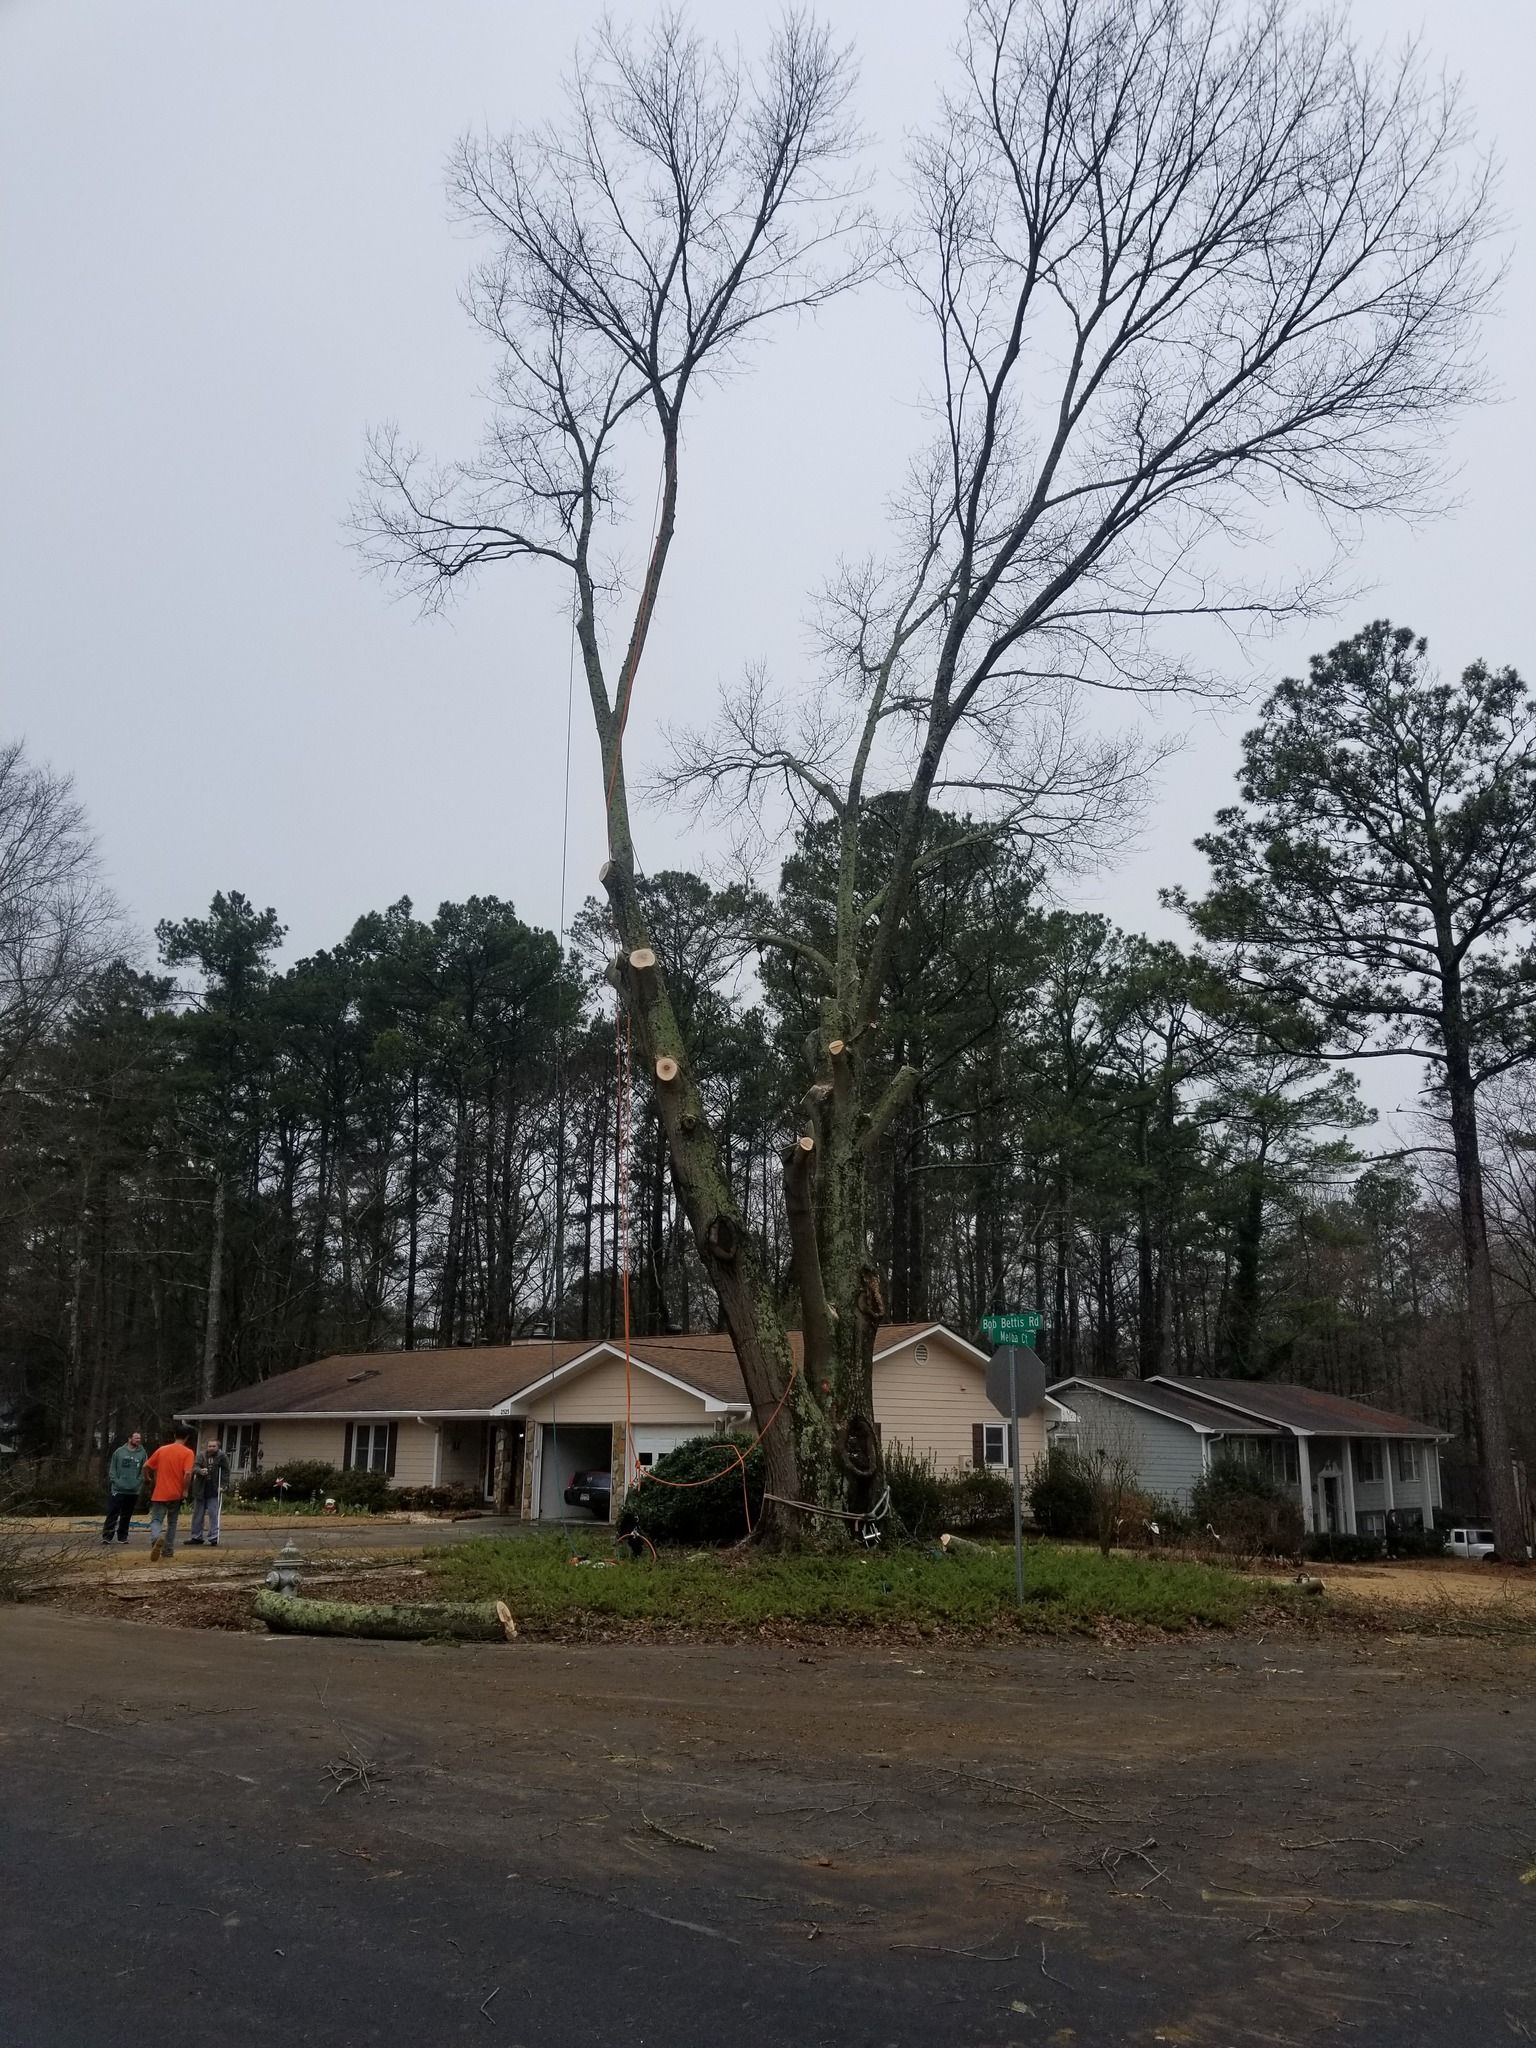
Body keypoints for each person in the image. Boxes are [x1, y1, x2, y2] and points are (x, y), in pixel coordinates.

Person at [143, 1428, 196, 1561]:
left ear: (174, 1435)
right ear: (187, 1437)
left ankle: (156, 1538)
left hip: (159, 1492)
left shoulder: (162, 1450)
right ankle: (168, 1550)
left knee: (156, 1520)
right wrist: (185, 1490)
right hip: (175, 1494)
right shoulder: (188, 1452)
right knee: (172, 1522)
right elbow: (188, 1473)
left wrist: (147, 1479)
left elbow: (145, 1466)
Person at [102, 1430, 146, 1545]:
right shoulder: (119, 1452)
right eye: (136, 1438)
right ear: (129, 1438)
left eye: (139, 1438)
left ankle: (122, 1536)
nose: (138, 1440)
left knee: (127, 1515)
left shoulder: (142, 1453)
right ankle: (107, 1536)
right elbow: (113, 1469)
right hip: (118, 1489)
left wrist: (138, 1482)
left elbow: (144, 1469)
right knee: (113, 1513)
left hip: (133, 1490)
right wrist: (116, 1481)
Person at [188, 1435, 230, 1548]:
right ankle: (196, 1536)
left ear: (218, 1447)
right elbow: (194, 1467)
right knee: (198, 1514)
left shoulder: (222, 1457)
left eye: (213, 1446)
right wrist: (200, 1470)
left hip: (214, 1489)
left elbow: (226, 1471)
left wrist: (224, 1485)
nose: (211, 1448)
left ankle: (213, 1537)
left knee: (213, 1514)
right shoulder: (201, 1455)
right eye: (209, 1446)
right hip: (201, 1488)